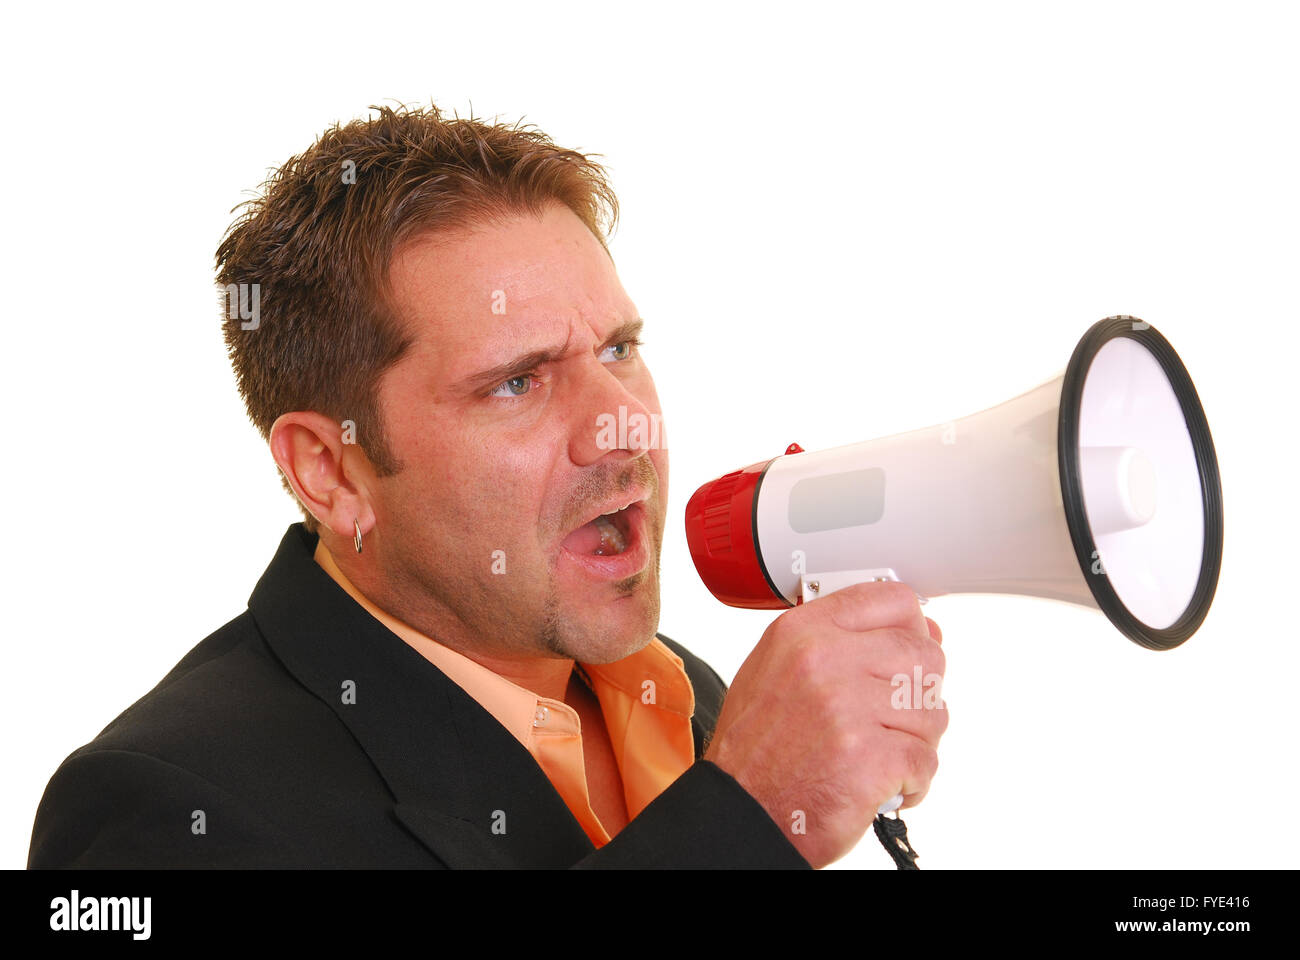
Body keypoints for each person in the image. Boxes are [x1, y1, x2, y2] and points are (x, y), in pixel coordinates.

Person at [28, 103, 947, 869]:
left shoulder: (689, 698)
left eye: (618, 350)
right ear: (332, 471)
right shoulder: (162, 810)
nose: (618, 425)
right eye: (518, 380)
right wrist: (741, 818)